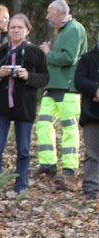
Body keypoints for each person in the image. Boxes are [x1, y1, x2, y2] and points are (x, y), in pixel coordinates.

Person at [0, 14, 49, 194]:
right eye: (12, 27)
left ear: (27, 30)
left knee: (24, 149)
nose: (16, 30)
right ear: (8, 29)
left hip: (24, 107)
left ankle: (21, 184)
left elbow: (44, 78)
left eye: (20, 27)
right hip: (0, 106)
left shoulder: (36, 53)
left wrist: (28, 76)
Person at [36, 1, 88, 178]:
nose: (47, 16)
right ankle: (48, 164)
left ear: (58, 12)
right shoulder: (61, 30)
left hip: (68, 87)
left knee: (69, 129)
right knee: (43, 123)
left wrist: (47, 53)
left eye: (49, 12)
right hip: (52, 86)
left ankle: (69, 168)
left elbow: (69, 58)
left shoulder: (74, 29)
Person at [76, 36, 99, 199]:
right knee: (92, 153)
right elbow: (79, 81)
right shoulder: (87, 58)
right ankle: (90, 188)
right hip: (92, 113)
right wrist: (96, 90)